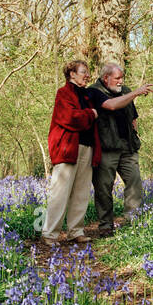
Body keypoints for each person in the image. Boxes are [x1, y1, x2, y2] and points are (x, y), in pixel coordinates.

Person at [84, 62, 153, 236]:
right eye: (117, 78)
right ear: (106, 78)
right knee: (104, 187)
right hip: (106, 148)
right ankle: (106, 225)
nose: (121, 81)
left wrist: (134, 131)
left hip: (128, 147)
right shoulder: (94, 91)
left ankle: (133, 221)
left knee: (134, 182)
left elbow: (133, 116)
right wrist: (136, 92)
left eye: (122, 77)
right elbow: (111, 105)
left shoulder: (126, 90)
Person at [43, 60, 101, 245]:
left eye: (87, 72)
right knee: (60, 192)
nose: (87, 75)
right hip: (68, 149)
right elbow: (70, 118)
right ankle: (50, 234)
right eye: (83, 72)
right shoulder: (64, 93)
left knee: (81, 192)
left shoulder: (87, 96)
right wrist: (91, 114)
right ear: (72, 74)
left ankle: (76, 231)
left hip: (87, 147)